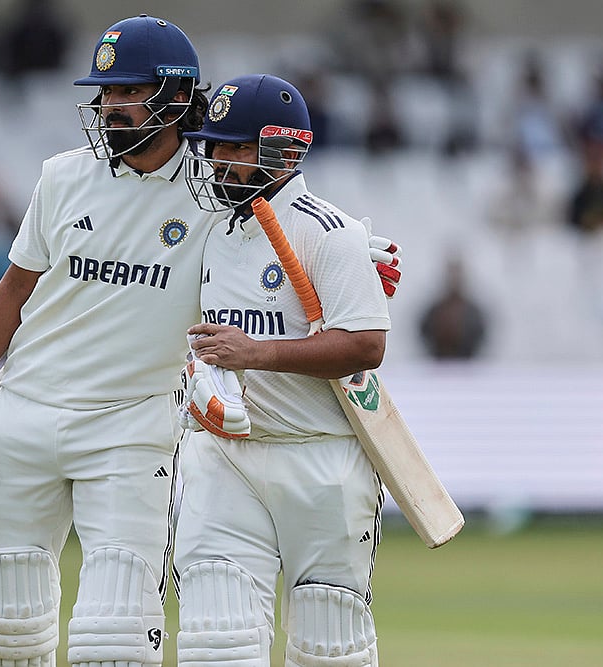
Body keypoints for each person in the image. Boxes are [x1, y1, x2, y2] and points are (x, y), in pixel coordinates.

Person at [0, 16, 403, 667]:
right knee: (6, 620)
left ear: (177, 98)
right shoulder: (63, 176)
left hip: (131, 426)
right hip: (27, 410)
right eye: (105, 94)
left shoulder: (213, 190)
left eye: (127, 93)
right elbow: (13, 288)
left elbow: (275, 215)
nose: (109, 108)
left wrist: (341, 250)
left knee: (113, 638)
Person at [175, 74, 392, 666]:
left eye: (235, 148)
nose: (218, 162)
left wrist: (257, 354)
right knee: (216, 643)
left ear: (281, 149)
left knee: (330, 647)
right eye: (214, 147)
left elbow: (366, 346)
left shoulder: (328, 231)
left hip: (318, 458)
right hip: (225, 456)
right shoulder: (210, 229)